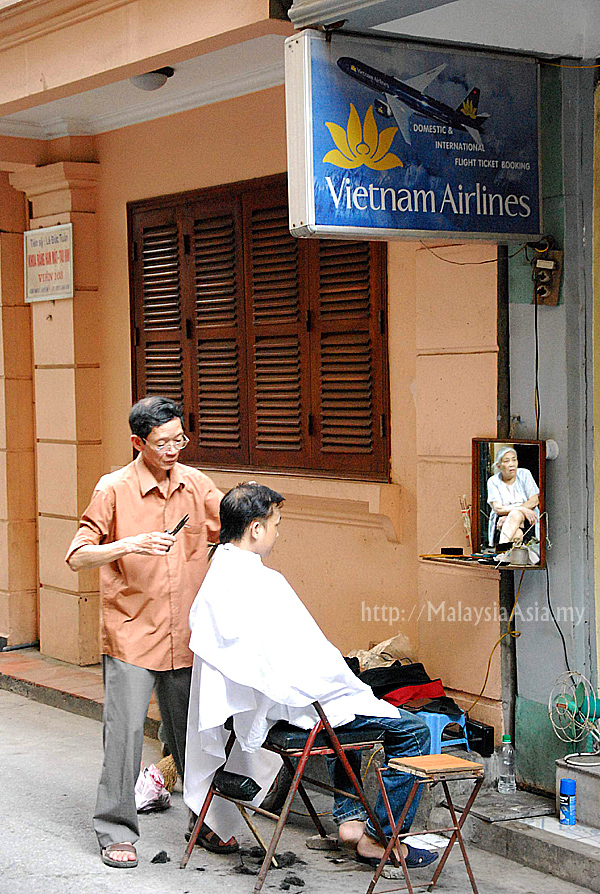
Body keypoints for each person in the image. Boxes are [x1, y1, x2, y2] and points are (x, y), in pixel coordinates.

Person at [184, 482, 438, 869]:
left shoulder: (216, 575)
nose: (277, 534)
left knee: (347, 708)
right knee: (405, 727)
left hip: (256, 712)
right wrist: (346, 679)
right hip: (293, 710)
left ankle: (349, 820)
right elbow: (311, 668)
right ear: (256, 529)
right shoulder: (264, 583)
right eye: (276, 525)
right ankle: (380, 839)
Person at [65, 396, 223, 869]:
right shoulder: (113, 489)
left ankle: (210, 823)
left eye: (180, 439)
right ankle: (115, 828)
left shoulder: (196, 484)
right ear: (138, 442)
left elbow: (230, 530)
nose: (174, 448)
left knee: (195, 738)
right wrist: (127, 543)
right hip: (132, 632)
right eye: (163, 442)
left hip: (186, 634)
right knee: (126, 735)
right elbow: (77, 554)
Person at [487, 446, 540, 551]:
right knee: (517, 534)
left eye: (514, 460)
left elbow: (534, 500)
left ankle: (501, 550)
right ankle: (506, 553)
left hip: (527, 518)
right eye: (506, 461)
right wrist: (521, 510)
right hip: (501, 519)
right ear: (499, 465)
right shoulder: (493, 481)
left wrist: (512, 514)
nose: (511, 464)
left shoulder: (524, 474)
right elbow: (498, 508)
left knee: (515, 514)